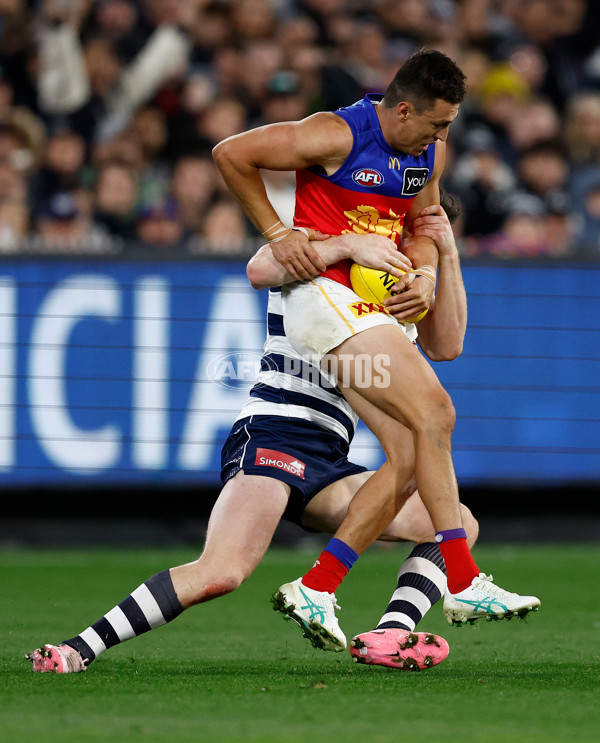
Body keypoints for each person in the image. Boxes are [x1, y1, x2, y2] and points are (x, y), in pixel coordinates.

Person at [27, 206, 474, 675]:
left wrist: (447, 252)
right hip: (275, 434)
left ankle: (391, 633)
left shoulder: (401, 280)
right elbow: (261, 267)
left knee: (453, 522)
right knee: (222, 571)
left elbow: (447, 345)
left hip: (330, 456)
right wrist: (345, 245)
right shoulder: (317, 239)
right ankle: (77, 648)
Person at [212, 49, 540, 652]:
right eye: (438, 125)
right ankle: (463, 581)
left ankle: (319, 586)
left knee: (414, 450)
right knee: (438, 414)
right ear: (406, 109)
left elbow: (421, 227)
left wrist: (426, 276)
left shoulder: (426, 155)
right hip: (323, 298)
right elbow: (231, 154)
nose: (444, 138)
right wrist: (281, 235)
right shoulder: (336, 133)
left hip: (364, 307)